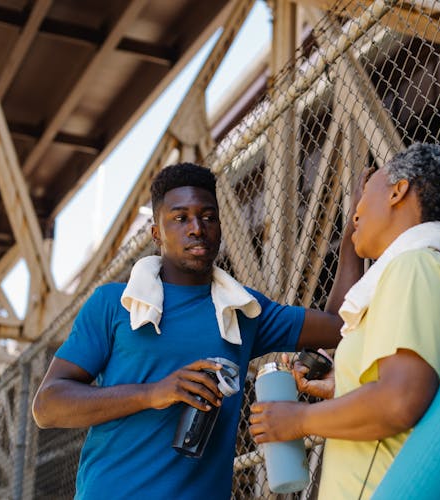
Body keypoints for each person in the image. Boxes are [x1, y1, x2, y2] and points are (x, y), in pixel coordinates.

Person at [31, 162, 362, 499]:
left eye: (208, 216)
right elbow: (47, 406)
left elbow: (340, 324)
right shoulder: (115, 303)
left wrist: (351, 239)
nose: (197, 229)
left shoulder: (242, 309)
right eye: (180, 218)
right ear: (156, 233)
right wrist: (153, 393)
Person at [248, 143, 440, 499]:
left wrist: (297, 419)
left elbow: (400, 399)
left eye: (364, 195)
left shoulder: (413, 267)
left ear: (397, 191)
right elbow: (414, 394)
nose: (354, 213)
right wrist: (343, 385)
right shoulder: (424, 270)